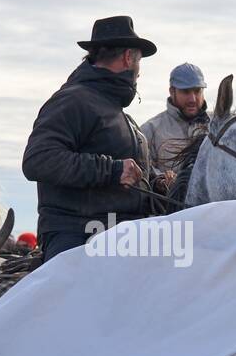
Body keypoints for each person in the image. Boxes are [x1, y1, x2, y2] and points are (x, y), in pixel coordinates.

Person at [22, 15, 156, 262]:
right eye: (139, 61)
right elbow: (38, 159)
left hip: (123, 233)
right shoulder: (73, 100)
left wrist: (155, 181)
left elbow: (127, 171)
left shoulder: (119, 114)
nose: (139, 72)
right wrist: (112, 170)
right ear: (129, 57)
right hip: (77, 233)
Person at [138, 62, 209, 177]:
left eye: (197, 91)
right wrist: (160, 179)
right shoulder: (150, 130)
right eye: (186, 92)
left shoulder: (218, 126)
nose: (192, 99)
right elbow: (142, 171)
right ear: (172, 91)